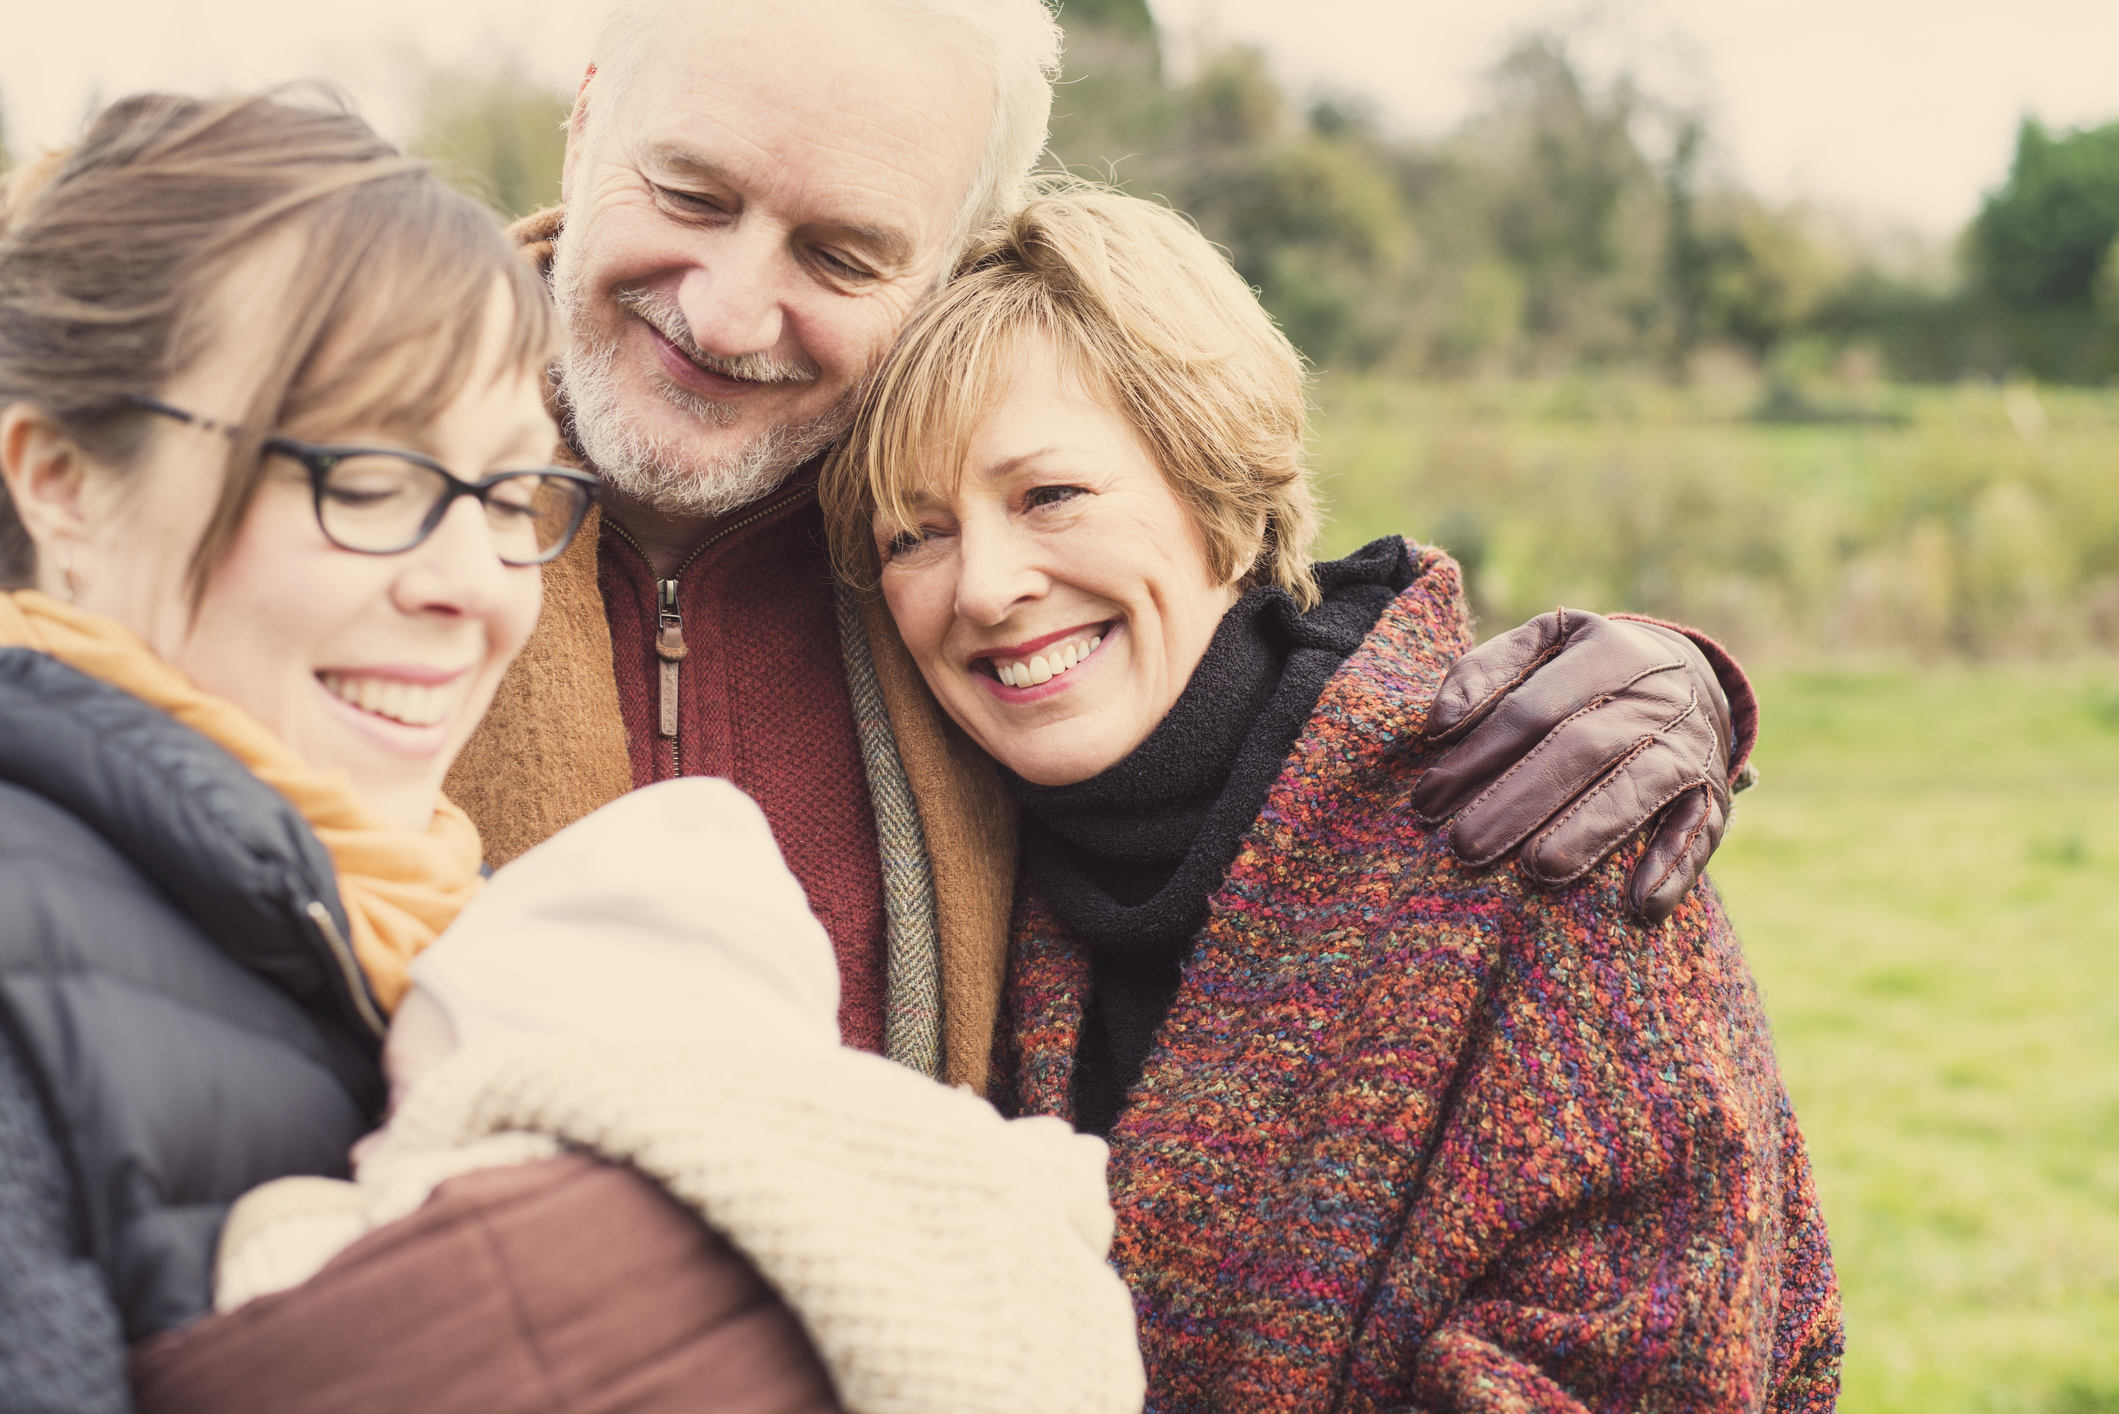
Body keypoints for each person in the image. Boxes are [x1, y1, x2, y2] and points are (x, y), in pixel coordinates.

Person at [449, 0, 1761, 1097]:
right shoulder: (325, 496)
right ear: (582, 125)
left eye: (842, 254)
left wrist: (1660, 681)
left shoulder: (946, 568)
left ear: (946, 266)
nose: (730, 310)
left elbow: (1256, 692)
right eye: (687, 190)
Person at [818, 187, 1844, 1410]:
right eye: (912, 535)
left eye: (1050, 496)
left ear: (1218, 485)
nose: (983, 587)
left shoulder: (1532, 827)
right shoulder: (964, 876)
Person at [0, 92, 822, 1413]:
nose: (474, 585)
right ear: (61, 482)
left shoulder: (453, 939)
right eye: (369, 478)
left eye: (506, 492)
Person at [163, 778, 1141, 1414]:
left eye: (415, 1093)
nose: (377, 1144)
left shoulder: (517, 1217)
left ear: (560, 1084)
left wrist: (279, 1215)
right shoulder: (975, 1235)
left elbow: (277, 1346)